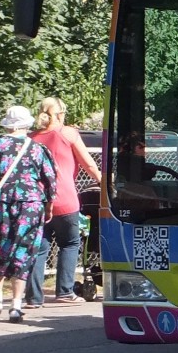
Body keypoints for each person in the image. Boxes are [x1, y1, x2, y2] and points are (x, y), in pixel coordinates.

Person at [0, 105, 57, 322]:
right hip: (31, 205)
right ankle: (16, 306)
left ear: (7, 124)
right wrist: (48, 206)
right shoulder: (38, 149)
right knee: (23, 251)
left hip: (1, 204)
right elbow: (51, 180)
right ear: (27, 124)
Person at [28, 96, 103, 307]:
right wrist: (104, 183)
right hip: (65, 199)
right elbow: (89, 164)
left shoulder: (31, 138)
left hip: (37, 201)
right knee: (70, 244)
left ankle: (33, 297)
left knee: (39, 248)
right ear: (60, 114)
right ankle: (64, 291)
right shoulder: (68, 133)